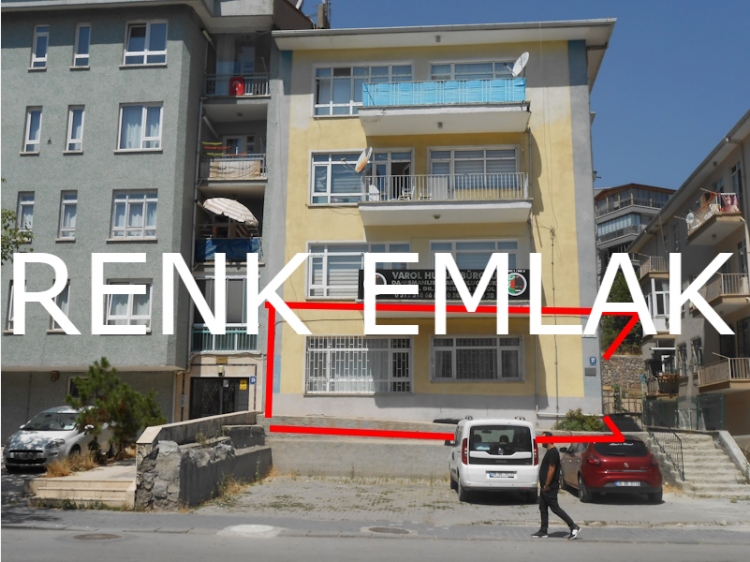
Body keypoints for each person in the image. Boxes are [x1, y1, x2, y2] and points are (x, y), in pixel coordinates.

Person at [531, 431, 581, 540]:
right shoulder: (549, 452)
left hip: (549, 486)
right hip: (545, 486)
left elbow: (552, 469)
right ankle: (543, 531)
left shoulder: (553, 452)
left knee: (555, 508)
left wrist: (547, 484)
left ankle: (573, 526)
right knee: (543, 507)